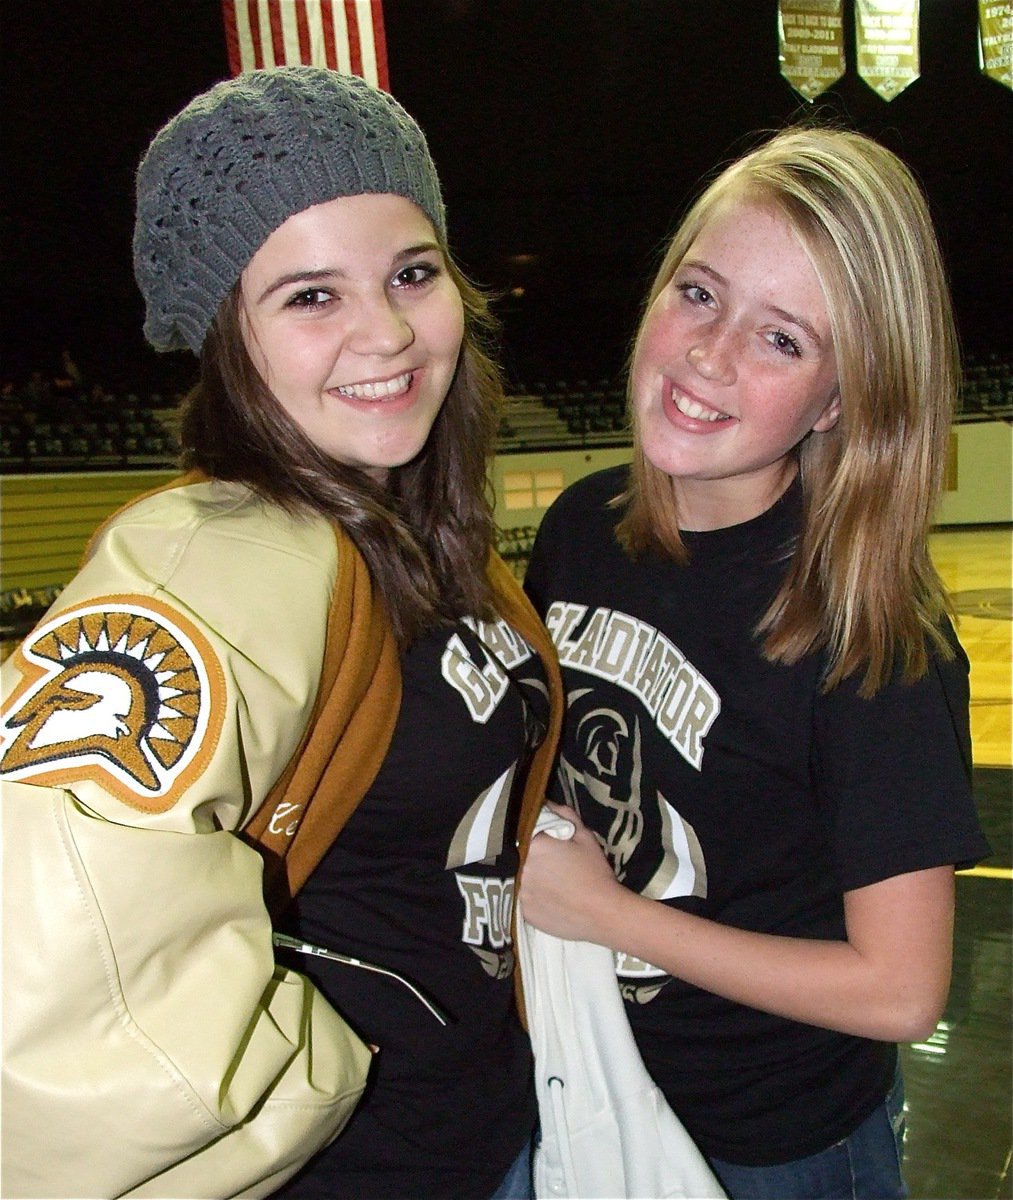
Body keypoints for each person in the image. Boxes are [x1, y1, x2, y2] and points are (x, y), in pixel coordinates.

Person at [0, 67, 561, 1200]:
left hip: (485, 1136)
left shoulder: (415, 526)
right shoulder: (217, 557)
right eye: (311, 297)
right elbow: (37, 961)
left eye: (412, 272)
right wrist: (299, 1082)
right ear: (227, 338)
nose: (389, 330)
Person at [520, 126, 991, 1200]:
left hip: (774, 1147)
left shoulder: (871, 634)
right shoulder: (581, 528)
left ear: (839, 399)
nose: (708, 354)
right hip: (594, 1076)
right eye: (697, 294)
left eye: (780, 340)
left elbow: (899, 994)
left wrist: (608, 915)